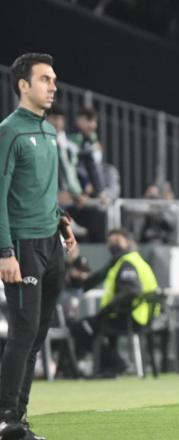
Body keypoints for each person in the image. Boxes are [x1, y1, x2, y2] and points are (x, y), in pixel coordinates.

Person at [0, 53, 77, 440]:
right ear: (23, 85)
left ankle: (19, 420)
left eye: (54, 79)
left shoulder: (48, 132)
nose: (53, 86)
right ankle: (5, 419)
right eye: (45, 79)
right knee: (23, 332)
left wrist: (63, 220)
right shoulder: (9, 131)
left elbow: (41, 190)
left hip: (51, 243)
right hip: (22, 244)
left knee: (37, 335)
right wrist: (4, 252)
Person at [71, 229, 158, 377]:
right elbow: (96, 279)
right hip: (143, 316)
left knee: (82, 328)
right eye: (110, 242)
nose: (112, 245)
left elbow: (130, 291)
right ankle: (108, 368)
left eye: (117, 241)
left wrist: (104, 312)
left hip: (132, 317)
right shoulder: (130, 260)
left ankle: (115, 363)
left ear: (128, 242)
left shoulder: (127, 263)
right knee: (93, 325)